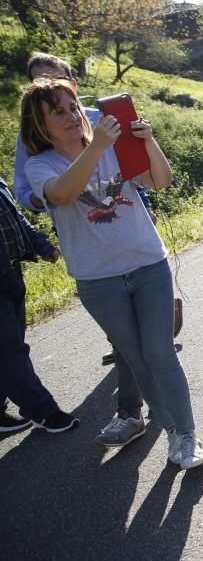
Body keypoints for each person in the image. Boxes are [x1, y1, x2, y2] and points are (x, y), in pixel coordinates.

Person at [21, 78, 203, 469]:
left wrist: (147, 141)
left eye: (74, 107)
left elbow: (160, 180)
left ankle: (184, 435)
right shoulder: (40, 165)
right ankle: (169, 428)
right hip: (98, 279)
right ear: (40, 125)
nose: (72, 116)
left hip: (147, 263)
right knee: (136, 358)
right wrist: (100, 145)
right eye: (59, 112)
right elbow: (62, 194)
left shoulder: (115, 147)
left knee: (160, 352)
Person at [12, 52, 168, 369]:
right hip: (83, 235)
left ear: (72, 82)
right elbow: (26, 190)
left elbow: (139, 172)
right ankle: (133, 406)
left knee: (153, 349)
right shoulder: (32, 142)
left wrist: (146, 202)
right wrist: (52, 196)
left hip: (132, 229)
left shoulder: (103, 117)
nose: (46, 85)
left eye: (53, 78)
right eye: (38, 80)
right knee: (130, 343)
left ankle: (144, 406)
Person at [0, 174, 79, 434]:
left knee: (9, 348)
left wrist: (41, 244)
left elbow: (16, 219)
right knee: (10, 351)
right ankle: (43, 411)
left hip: (10, 273)